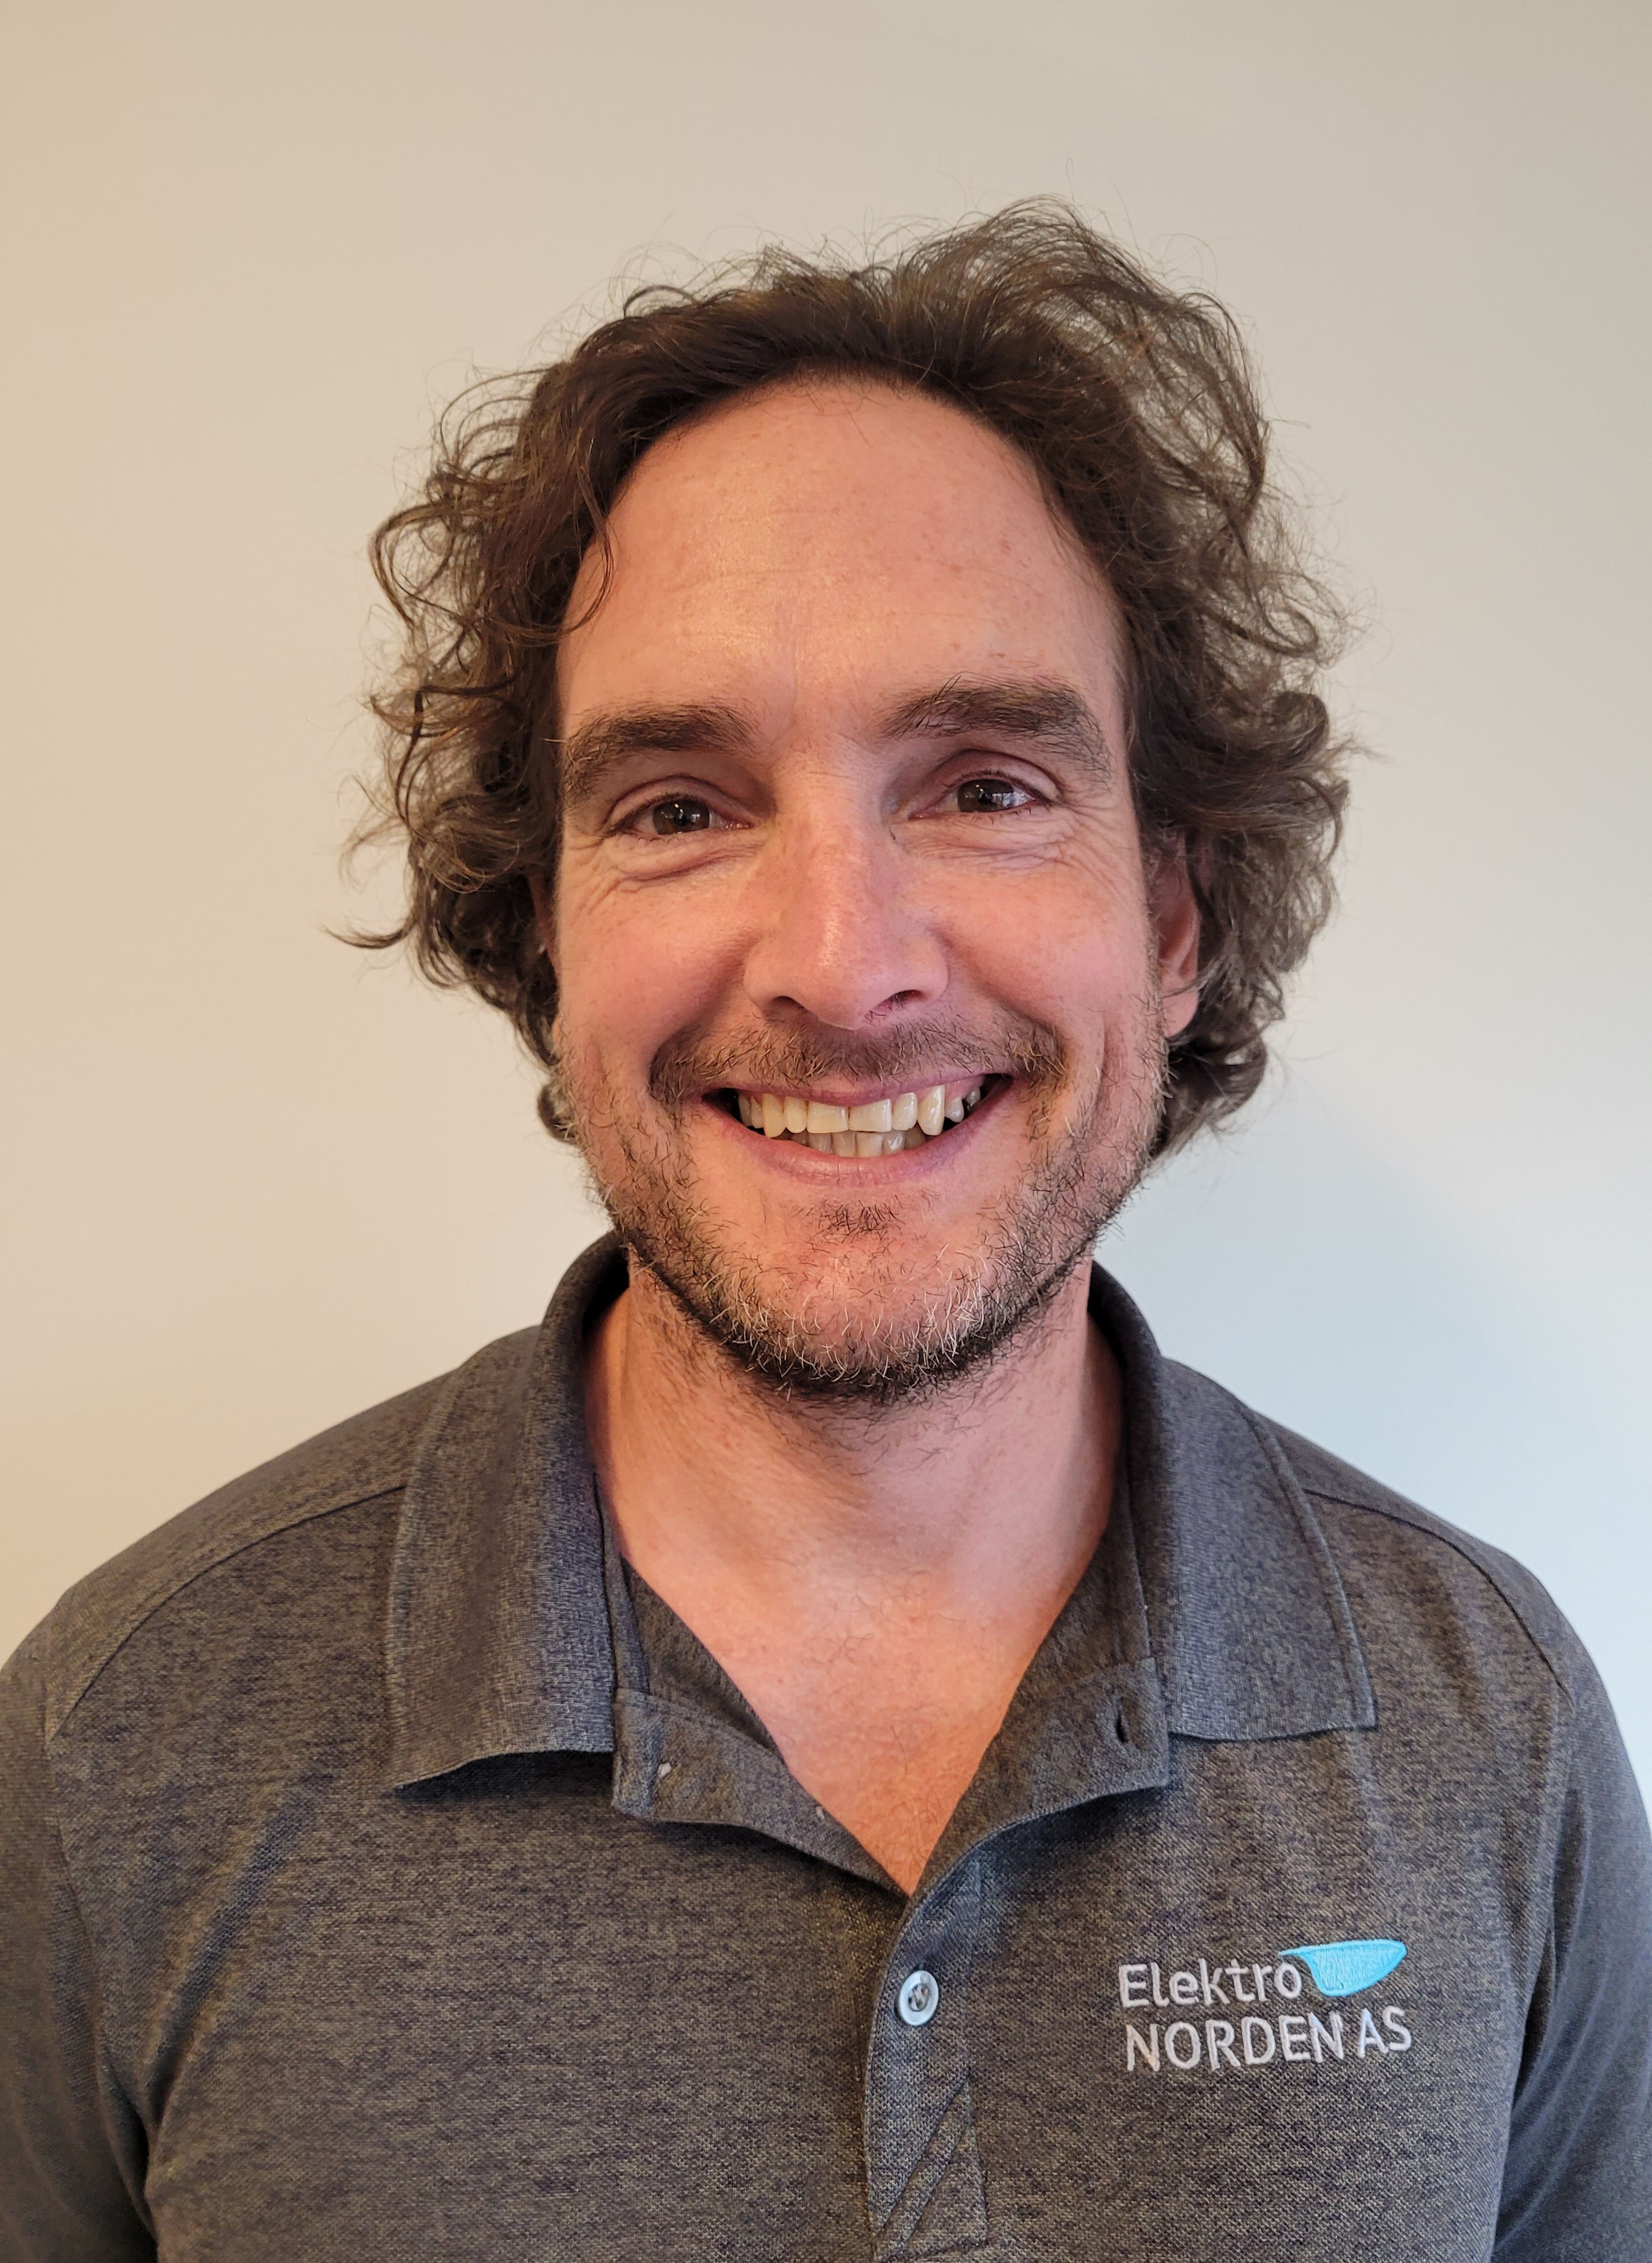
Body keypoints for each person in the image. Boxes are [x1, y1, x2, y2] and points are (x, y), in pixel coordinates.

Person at [2, 204, 1647, 2262]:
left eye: (986, 786)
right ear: (546, 930)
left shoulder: (1491, 1724)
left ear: (1172, 920)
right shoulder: (127, 1740)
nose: (844, 966)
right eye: (680, 808)